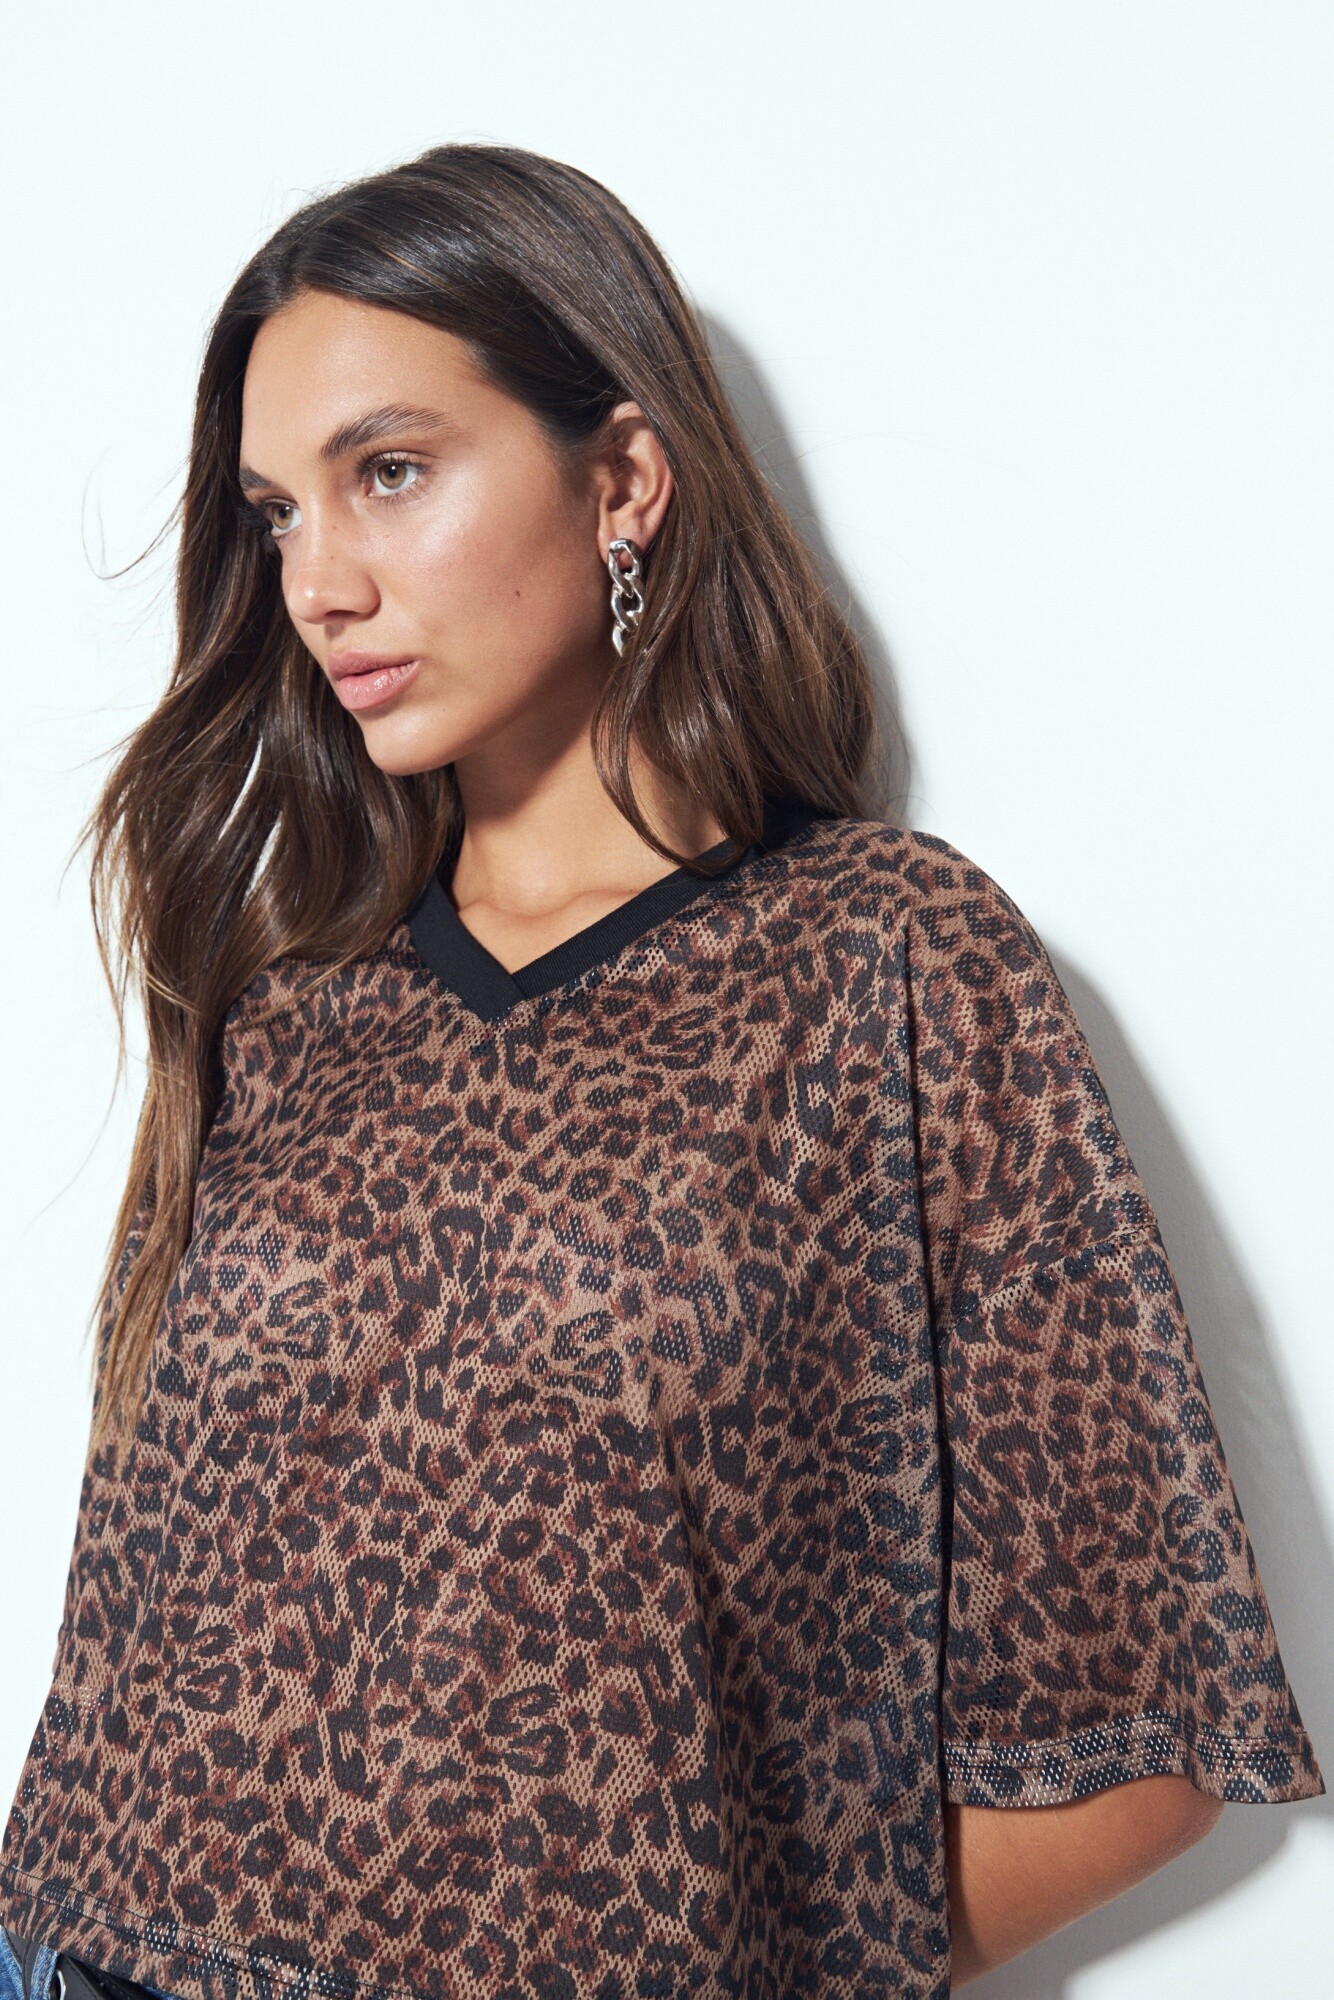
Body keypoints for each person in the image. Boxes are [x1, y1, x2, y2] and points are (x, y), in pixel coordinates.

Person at [0, 143, 1320, 2000]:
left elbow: (1141, 1735)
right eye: (277, 513)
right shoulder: (294, 990)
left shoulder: (881, 962)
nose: (319, 581)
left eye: (390, 472)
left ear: (622, 477)